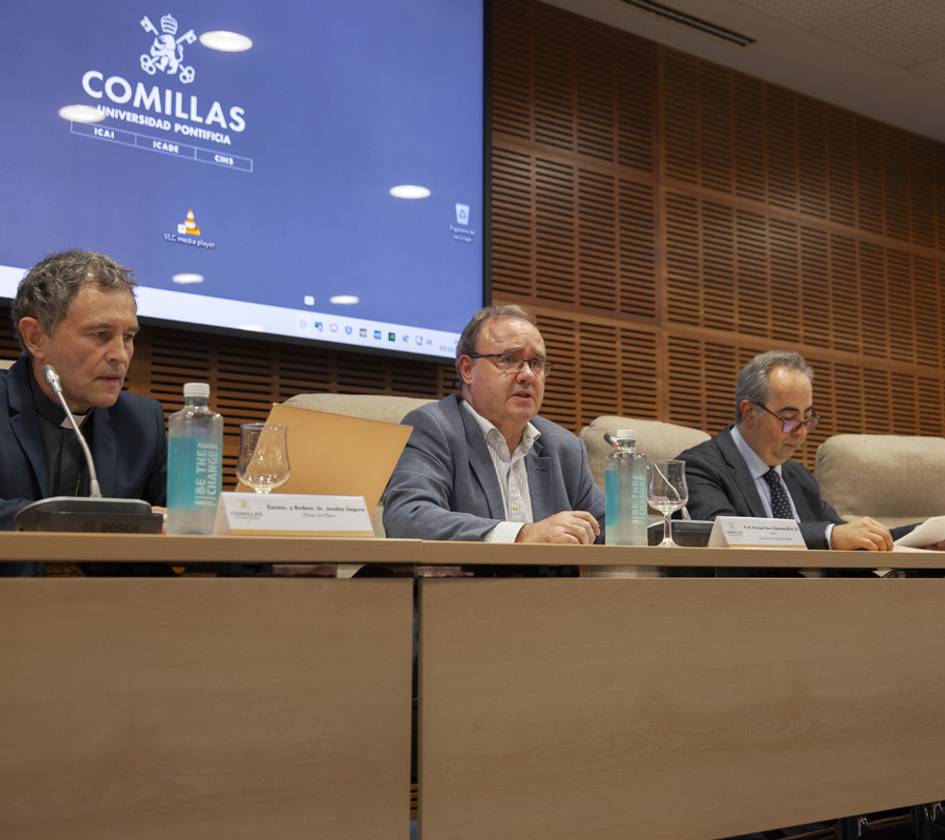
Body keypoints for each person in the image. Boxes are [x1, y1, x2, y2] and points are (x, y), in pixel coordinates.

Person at [0, 250, 167, 575]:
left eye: (129, 337)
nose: (120, 355)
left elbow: (186, 524)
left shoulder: (142, 422)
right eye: (100, 335)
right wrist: (110, 523)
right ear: (36, 338)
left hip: (105, 615)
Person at [383, 304, 603, 548]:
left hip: (554, 587)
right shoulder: (434, 428)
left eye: (537, 363)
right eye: (509, 359)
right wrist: (522, 535)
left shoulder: (564, 447)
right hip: (470, 585)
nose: (527, 375)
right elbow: (408, 517)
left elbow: (611, 529)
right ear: (467, 369)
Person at [678, 350, 893, 552]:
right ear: (749, 412)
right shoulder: (698, 468)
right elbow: (725, 536)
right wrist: (829, 535)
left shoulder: (799, 478)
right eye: (789, 419)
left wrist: (919, 534)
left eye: (807, 418)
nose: (801, 433)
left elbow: (845, 534)